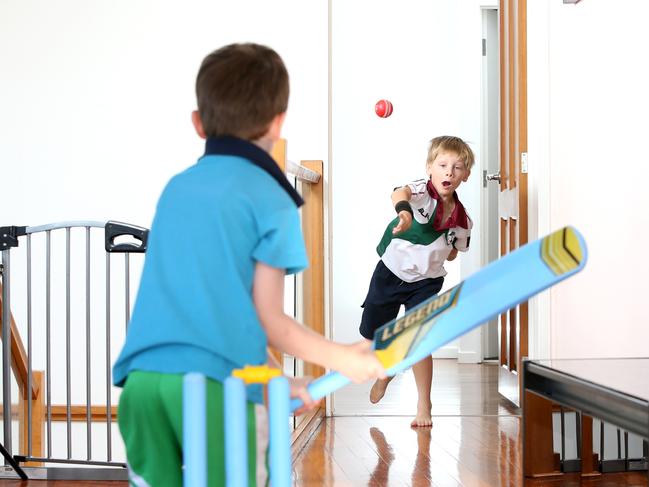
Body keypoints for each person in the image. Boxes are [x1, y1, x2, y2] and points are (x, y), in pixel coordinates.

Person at [112, 43, 385, 487]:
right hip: (215, 389)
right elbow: (268, 320)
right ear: (278, 122)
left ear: (198, 123)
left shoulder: (176, 189)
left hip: (142, 385)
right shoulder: (271, 197)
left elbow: (210, 308)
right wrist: (341, 357)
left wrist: (273, 380)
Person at [359, 135, 474, 427]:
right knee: (373, 334)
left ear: (466, 175)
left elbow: (453, 255)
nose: (449, 172)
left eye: (457, 167)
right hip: (390, 273)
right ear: (430, 168)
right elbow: (399, 193)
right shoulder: (422, 192)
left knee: (419, 341)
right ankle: (387, 371)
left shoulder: (463, 220)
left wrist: (440, 249)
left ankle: (425, 404)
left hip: (426, 283)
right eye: (443, 164)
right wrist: (405, 214)